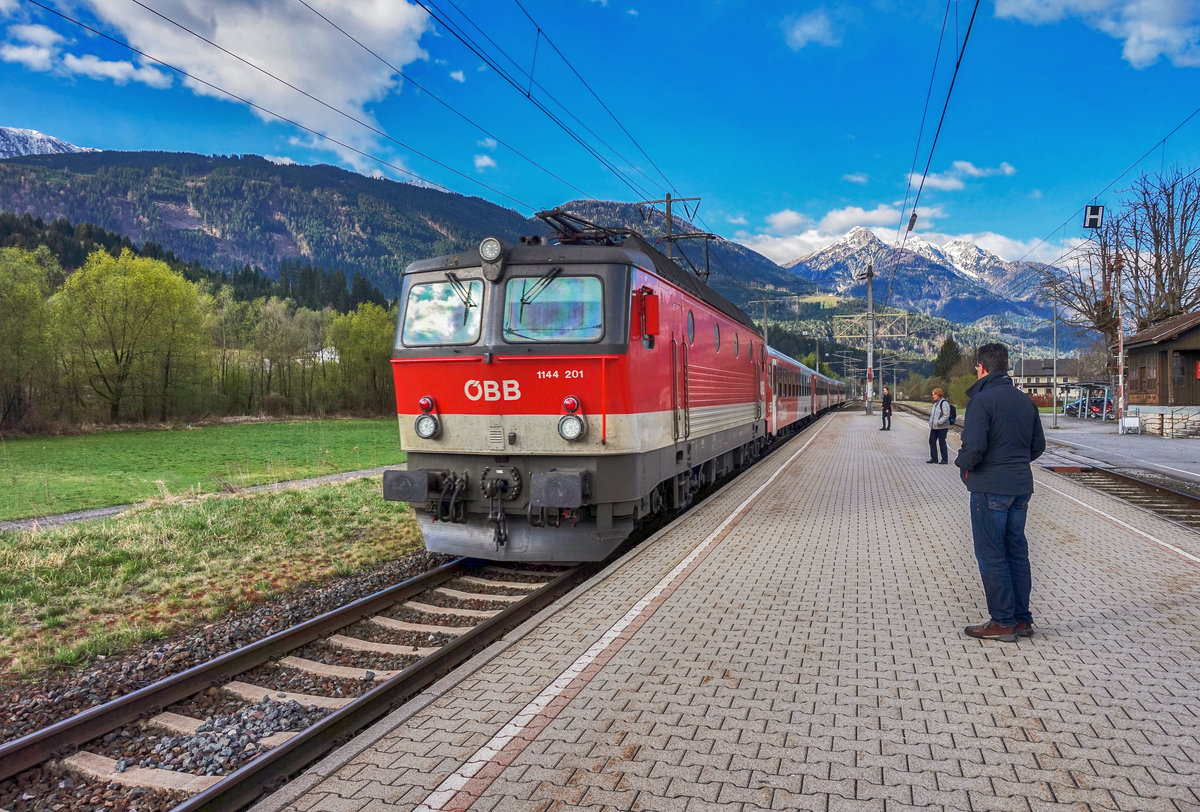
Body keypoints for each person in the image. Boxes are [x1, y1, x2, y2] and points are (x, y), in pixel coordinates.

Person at [954, 343, 1046, 642]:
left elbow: (974, 448)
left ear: (981, 368)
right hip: (1020, 488)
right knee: (1017, 553)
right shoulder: (1024, 401)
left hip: (990, 488)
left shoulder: (982, 401)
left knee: (992, 555)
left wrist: (963, 465)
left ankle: (1002, 621)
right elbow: (1038, 447)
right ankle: (1022, 620)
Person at [927, 388, 950, 463]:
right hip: (934, 427)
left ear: (938, 394)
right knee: (932, 441)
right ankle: (934, 458)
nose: (933, 396)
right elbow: (933, 415)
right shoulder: (935, 404)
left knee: (941, 442)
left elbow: (946, 415)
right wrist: (931, 422)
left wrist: (939, 422)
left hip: (942, 427)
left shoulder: (944, 403)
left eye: (934, 394)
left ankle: (944, 459)